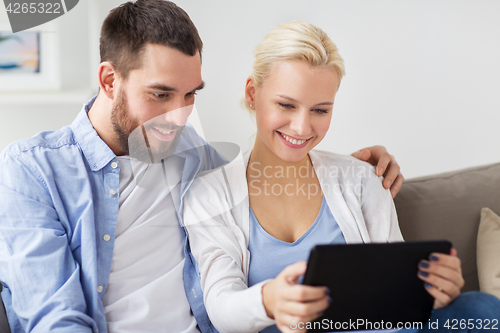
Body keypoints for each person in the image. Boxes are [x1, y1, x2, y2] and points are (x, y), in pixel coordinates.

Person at [0, 1, 404, 333]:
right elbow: (56, 320)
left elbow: (270, 169)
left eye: (190, 94)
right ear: (109, 81)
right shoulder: (33, 171)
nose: (178, 116)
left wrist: (351, 171)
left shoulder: (192, 154)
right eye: (160, 94)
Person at [183, 20, 500, 333]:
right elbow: (222, 309)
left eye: (320, 110)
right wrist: (269, 301)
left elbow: (399, 297)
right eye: (286, 104)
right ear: (253, 94)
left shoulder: (361, 179)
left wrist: (435, 292)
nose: (302, 128)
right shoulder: (209, 195)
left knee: (480, 309)